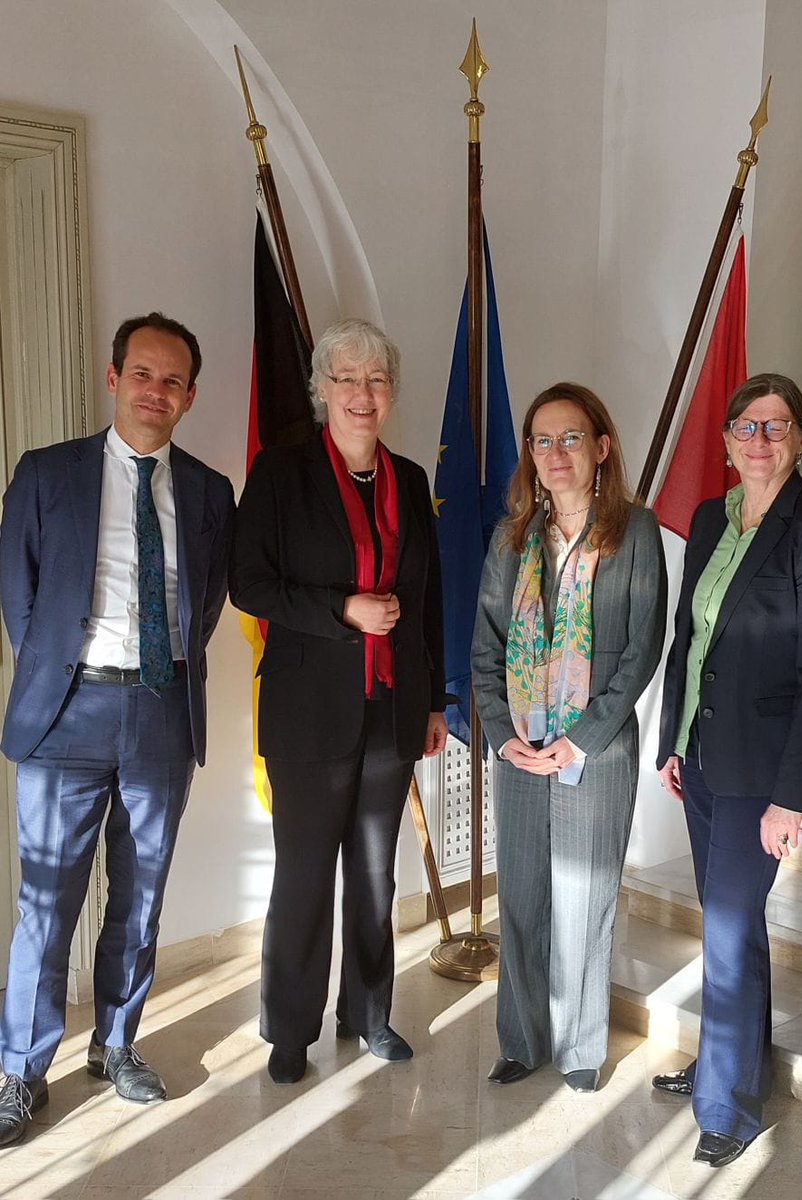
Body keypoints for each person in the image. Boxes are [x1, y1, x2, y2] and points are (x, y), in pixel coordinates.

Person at [0, 313, 235, 1146]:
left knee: (140, 896)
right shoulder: (46, 474)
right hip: (67, 711)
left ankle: (116, 1044)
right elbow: (20, 599)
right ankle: (21, 1071)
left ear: (190, 396)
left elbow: (202, 605)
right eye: (142, 373)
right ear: (113, 379)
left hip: (161, 711)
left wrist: (154, 671)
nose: (155, 391)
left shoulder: (209, 492)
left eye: (172, 381)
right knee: (46, 901)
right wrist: (65, 678)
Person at [229, 318, 447, 1085]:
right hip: (306, 714)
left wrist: (434, 700)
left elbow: (426, 597)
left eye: (376, 379)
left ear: (390, 394)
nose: (362, 393)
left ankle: (368, 1013)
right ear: (321, 390)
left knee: (376, 874)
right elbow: (247, 585)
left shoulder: (411, 479)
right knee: (303, 874)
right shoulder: (280, 474)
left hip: (391, 709)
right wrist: (340, 610)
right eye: (346, 379)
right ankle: (289, 1031)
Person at [654, 373, 802, 1168]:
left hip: (760, 773)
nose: (760, 440)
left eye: (776, 427)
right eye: (746, 426)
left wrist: (788, 796)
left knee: (730, 935)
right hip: (701, 756)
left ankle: (727, 1110)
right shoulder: (710, 517)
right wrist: (672, 740)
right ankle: (732, 1068)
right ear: (728, 440)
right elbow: (689, 635)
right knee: (727, 928)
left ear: (800, 438)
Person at [471, 382, 667, 1093]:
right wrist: (502, 735)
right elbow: (485, 649)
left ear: (601, 448)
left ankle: (581, 1051)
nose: (555, 453)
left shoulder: (634, 532)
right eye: (541, 440)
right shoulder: (511, 538)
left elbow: (641, 649)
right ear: (530, 454)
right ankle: (520, 1040)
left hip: (597, 750)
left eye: (570, 438)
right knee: (521, 898)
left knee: (584, 902)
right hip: (521, 749)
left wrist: (579, 739)